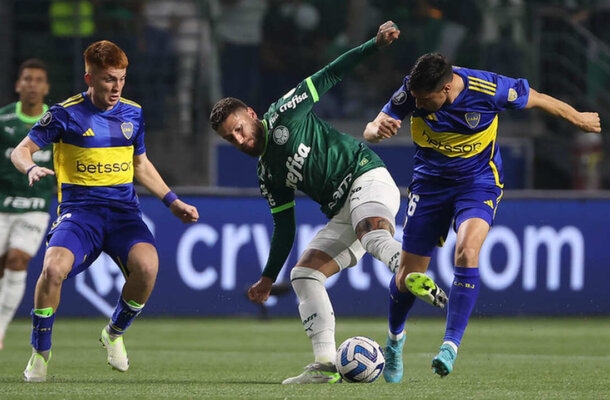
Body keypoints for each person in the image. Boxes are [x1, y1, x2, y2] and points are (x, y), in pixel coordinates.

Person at [363, 52, 602, 381]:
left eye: (424, 99)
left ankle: (450, 345)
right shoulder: (412, 90)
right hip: (430, 185)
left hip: (478, 181)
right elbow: (371, 128)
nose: (415, 103)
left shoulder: (488, 88)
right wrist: (377, 131)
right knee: (406, 277)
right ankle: (394, 341)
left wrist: (578, 118)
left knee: (468, 250)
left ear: (446, 89)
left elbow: (538, 98)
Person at [209, 21, 401, 384]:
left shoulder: (284, 111)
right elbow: (285, 227)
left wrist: (374, 45)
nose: (239, 140)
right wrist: (268, 279)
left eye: (239, 129)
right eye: (230, 139)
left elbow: (332, 73)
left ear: (251, 114)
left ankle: (407, 268)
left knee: (370, 230)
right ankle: (325, 366)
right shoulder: (267, 174)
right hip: (342, 210)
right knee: (304, 275)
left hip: (366, 176)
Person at [11, 40, 199, 382]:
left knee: (147, 267)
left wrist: (173, 201)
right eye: (109, 79)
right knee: (52, 270)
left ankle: (113, 333)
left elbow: (140, 164)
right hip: (80, 214)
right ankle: (41, 352)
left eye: (121, 78)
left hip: (123, 214)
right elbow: (21, 151)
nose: (116, 87)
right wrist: (29, 168)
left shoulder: (133, 113)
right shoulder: (64, 114)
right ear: (89, 78)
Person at [0, 59, 54, 351]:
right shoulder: (3, 121)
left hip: (34, 206)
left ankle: (0, 329)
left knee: (17, 260)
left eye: (38, 80)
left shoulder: (56, 123)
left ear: (46, 88)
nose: (32, 84)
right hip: (1, 206)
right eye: (27, 79)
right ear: (18, 84)